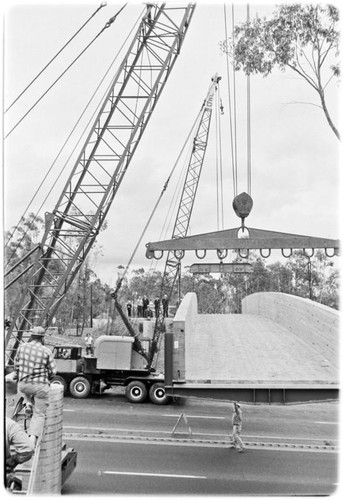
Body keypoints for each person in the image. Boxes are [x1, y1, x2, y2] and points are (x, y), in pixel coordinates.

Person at [14, 326, 57, 447]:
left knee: (24, 387)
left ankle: (27, 403)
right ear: (42, 338)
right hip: (40, 387)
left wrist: (22, 375)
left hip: (24, 385)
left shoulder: (21, 348)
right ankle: (32, 438)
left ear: (31, 336)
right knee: (39, 414)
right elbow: (54, 372)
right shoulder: (46, 351)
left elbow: (16, 367)